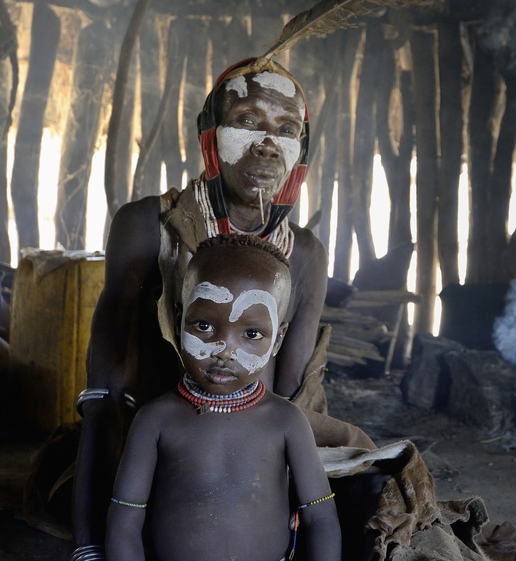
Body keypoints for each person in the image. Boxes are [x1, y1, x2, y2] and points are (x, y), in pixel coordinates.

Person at [73, 58, 372, 558]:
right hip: (149, 448)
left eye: (286, 128)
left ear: (302, 148)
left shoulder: (305, 255)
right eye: (248, 121)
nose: (266, 143)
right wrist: (88, 542)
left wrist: (278, 503)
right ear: (208, 131)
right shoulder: (148, 226)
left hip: (260, 451)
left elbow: (297, 397)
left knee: (385, 497)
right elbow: (104, 395)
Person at [105, 233, 340, 561]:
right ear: (177, 319)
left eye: (252, 334)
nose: (225, 350)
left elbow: (321, 517)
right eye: (203, 325)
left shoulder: (286, 422)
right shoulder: (155, 420)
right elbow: (124, 524)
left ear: (277, 340)